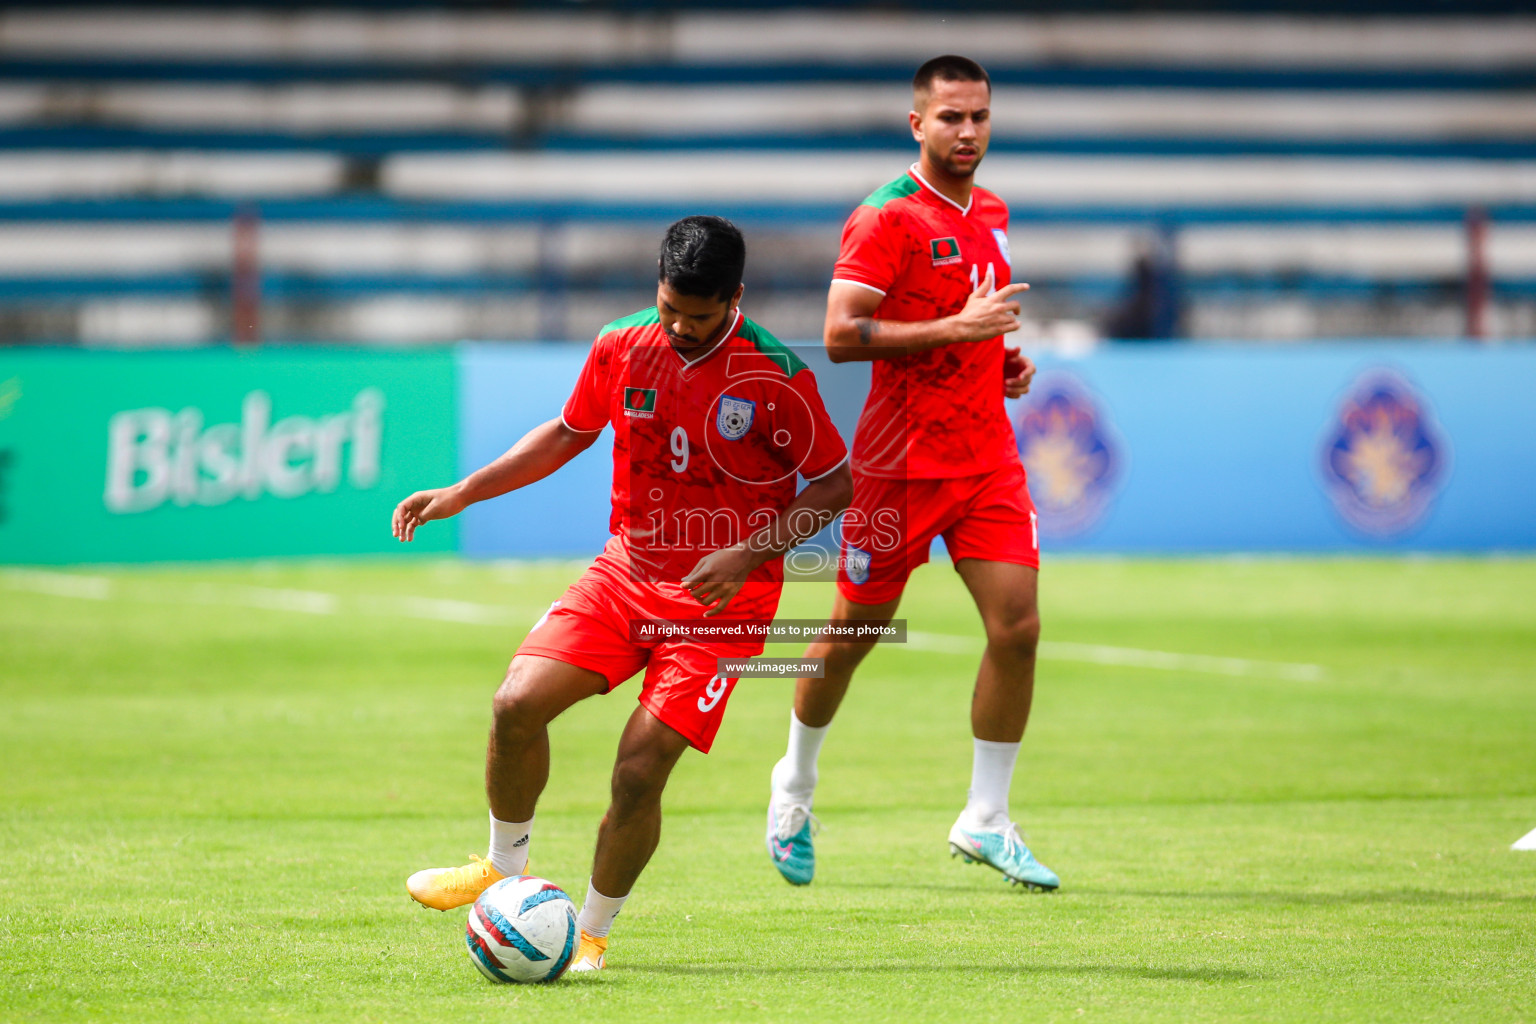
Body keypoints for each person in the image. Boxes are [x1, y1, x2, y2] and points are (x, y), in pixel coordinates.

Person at [394, 216, 851, 972]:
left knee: (639, 768)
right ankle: (504, 865)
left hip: (722, 606)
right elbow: (570, 432)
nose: (676, 327)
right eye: (668, 308)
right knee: (515, 703)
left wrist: (751, 551)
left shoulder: (776, 377)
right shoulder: (622, 342)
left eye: (697, 318)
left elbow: (837, 481)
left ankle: (592, 931)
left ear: (734, 298)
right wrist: (465, 492)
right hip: (627, 573)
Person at [763, 56, 1059, 891]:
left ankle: (986, 818)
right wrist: (958, 331)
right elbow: (842, 334)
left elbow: (974, 320)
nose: (968, 132)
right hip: (898, 466)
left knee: (1018, 628)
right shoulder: (883, 219)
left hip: (986, 459)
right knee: (854, 636)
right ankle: (793, 784)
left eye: (980, 117)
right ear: (917, 125)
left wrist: (999, 359)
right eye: (951, 118)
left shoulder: (992, 212)